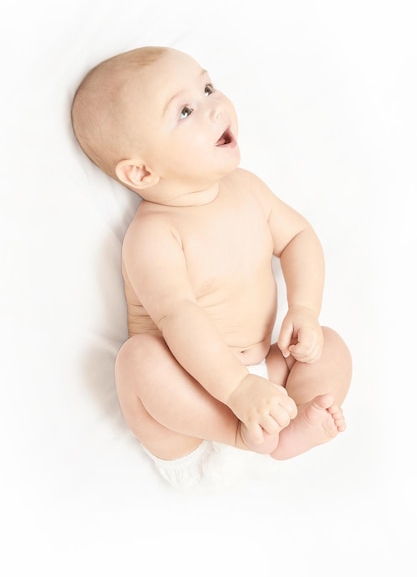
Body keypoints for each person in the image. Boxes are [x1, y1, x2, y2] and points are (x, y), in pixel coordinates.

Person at [71, 46, 352, 490]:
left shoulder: (248, 189)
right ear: (142, 174)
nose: (214, 106)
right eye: (185, 110)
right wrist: (238, 392)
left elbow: (299, 237)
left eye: (208, 87)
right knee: (138, 362)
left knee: (331, 347)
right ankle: (240, 436)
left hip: (267, 379)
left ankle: (288, 428)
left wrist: (304, 310)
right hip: (195, 407)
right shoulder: (153, 236)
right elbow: (179, 315)